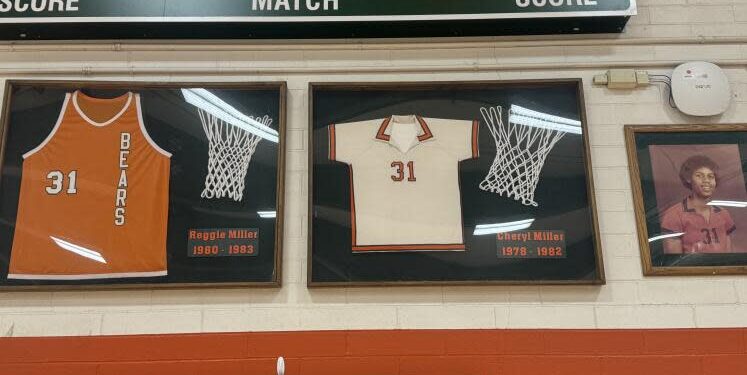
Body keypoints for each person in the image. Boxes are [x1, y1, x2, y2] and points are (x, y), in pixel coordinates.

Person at [660, 155, 736, 254]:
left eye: (711, 176)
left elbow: (729, 255)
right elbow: (674, 263)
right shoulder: (674, 214)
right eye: (699, 175)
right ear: (688, 179)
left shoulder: (723, 213)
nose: (706, 181)